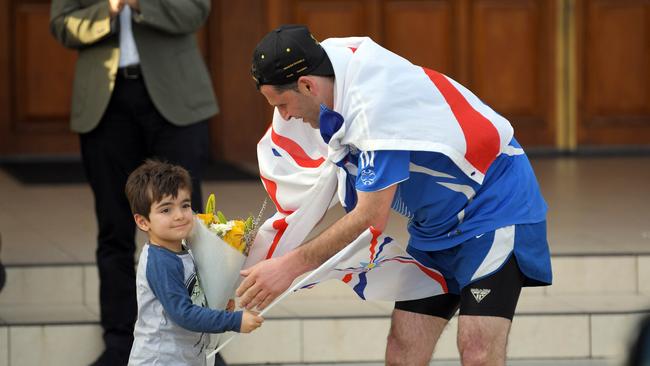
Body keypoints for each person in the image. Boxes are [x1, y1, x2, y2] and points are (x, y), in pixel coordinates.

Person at [237, 24, 553, 365]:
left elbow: (370, 218)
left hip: (494, 206)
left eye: (283, 105)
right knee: (404, 347)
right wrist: (249, 262)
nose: (285, 117)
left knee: (477, 350)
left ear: (307, 86)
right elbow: (302, 193)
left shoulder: (373, 105)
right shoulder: (322, 72)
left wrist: (290, 266)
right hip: (435, 224)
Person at [49, 1, 218, 364]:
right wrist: (110, 6)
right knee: (113, 227)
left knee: (189, 226)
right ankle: (119, 342)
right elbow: (62, 25)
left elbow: (195, 12)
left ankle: (202, 339)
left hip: (176, 100)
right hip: (105, 105)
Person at [124, 160, 264, 365]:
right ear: (143, 221)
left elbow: (191, 296)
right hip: (160, 360)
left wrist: (216, 305)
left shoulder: (184, 250)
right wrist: (233, 321)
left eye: (185, 205)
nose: (179, 215)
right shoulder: (161, 261)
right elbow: (184, 314)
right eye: (166, 210)